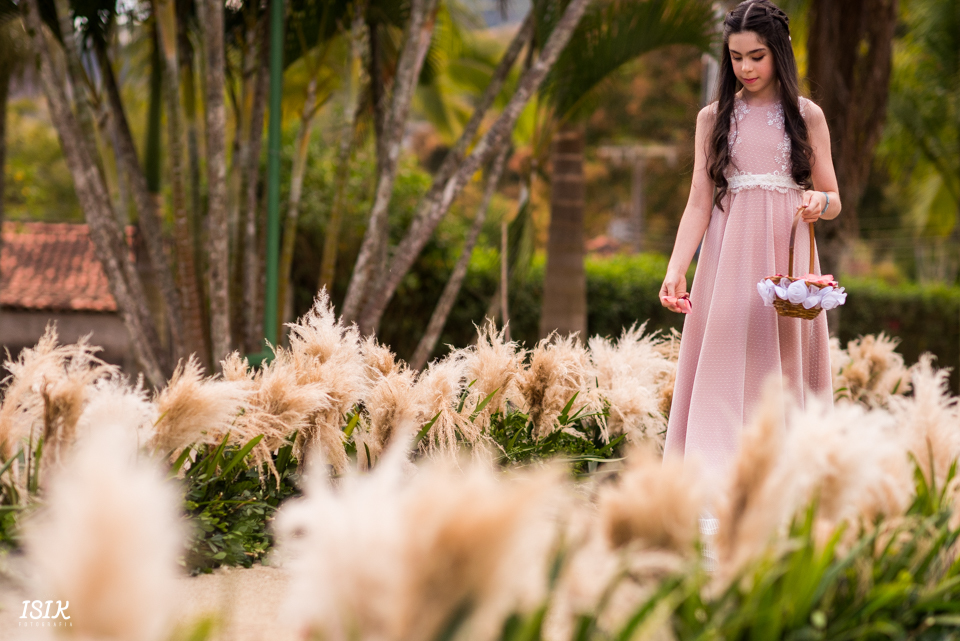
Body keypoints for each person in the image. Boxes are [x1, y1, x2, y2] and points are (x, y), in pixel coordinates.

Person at [659, 0, 841, 481]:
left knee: (779, 364)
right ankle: (711, 490)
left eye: (756, 55)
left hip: (786, 257)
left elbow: (834, 196)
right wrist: (676, 268)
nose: (746, 67)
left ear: (779, 51)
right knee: (721, 360)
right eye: (737, 57)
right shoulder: (712, 117)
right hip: (726, 257)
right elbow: (699, 202)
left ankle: (782, 482)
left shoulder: (807, 116)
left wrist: (815, 205)